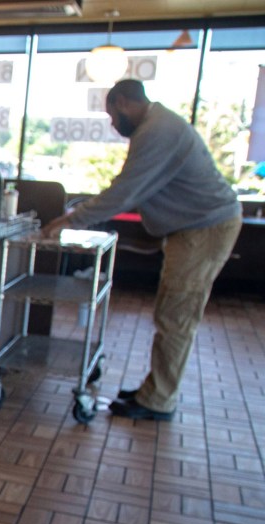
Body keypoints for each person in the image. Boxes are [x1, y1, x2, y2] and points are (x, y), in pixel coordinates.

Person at [43, 79, 242, 422]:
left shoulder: (157, 130)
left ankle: (159, 400)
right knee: (171, 312)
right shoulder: (158, 124)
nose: (112, 124)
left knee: (176, 315)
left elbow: (125, 191)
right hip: (197, 227)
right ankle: (155, 391)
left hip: (204, 229)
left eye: (111, 115)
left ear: (123, 102)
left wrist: (71, 220)